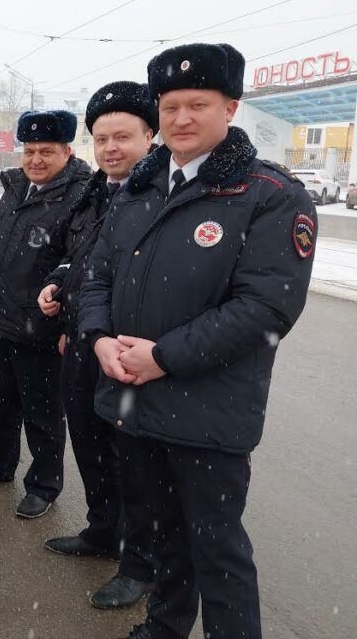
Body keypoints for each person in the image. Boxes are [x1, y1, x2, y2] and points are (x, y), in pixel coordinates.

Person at [79, 43, 316, 639]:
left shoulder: (268, 196)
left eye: (198, 104)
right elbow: (98, 274)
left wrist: (162, 358)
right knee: (161, 535)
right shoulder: (138, 188)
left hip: (208, 409)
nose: (181, 118)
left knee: (218, 551)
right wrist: (100, 338)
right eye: (170, 105)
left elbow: (265, 308)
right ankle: (164, 626)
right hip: (133, 400)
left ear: (231, 107)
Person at [36, 82, 157, 609]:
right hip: (84, 336)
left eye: (123, 137)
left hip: (128, 347)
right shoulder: (97, 192)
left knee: (131, 456)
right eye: (102, 138)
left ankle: (139, 562)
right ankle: (102, 531)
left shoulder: (158, 195)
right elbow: (81, 255)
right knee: (87, 439)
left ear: (149, 136)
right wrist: (59, 286)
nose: (111, 148)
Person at [0, 110, 90, 520]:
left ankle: (44, 485)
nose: (35, 159)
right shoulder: (13, 188)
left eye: (46, 152)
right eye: (29, 151)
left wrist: (66, 318)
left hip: (43, 327)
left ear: (67, 152)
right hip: (3, 318)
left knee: (43, 413)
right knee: (0, 402)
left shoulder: (80, 195)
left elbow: (79, 261)